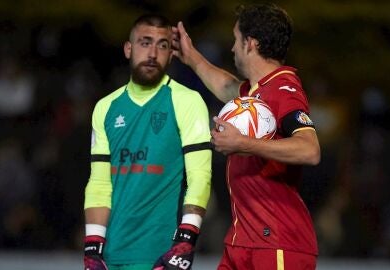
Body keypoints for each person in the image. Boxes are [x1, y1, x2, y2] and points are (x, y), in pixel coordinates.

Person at [173, 3, 321, 270]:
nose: (232, 48)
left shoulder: (283, 89)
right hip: (244, 241)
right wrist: (191, 55)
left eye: (235, 39)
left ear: (250, 43)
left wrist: (242, 143)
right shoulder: (255, 93)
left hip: (277, 242)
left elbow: (310, 150)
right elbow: (226, 86)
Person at [83, 14, 212, 270]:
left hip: (161, 256)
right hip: (111, 256)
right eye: (145, 42)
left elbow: (200, 176)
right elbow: (99, 183)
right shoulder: (105, 108)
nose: (153, 53)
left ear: (171, 53)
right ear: (128, 49)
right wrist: (92, 249)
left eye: (162, 45)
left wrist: (186, 240)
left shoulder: (188, 101)